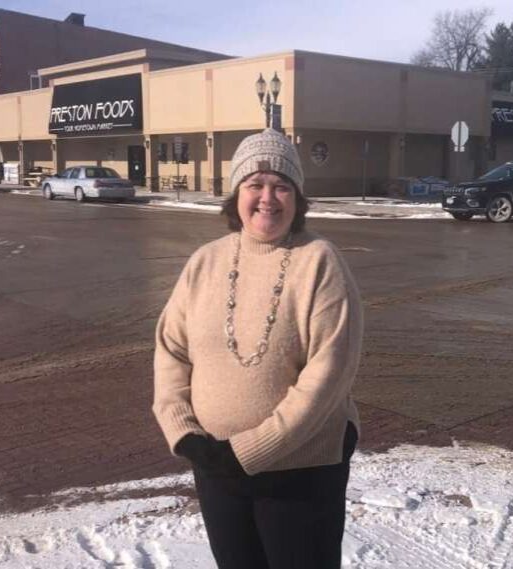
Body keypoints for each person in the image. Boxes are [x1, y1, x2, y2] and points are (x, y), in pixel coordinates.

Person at [153, 128, 364, 569]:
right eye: (255, 184)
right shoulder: (205, 261)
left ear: (297, 198)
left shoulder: (320, 261)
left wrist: (252, 449)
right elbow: (171, 348)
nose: (268, 197)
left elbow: (329, 374)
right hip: (216, 465)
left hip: (301, 471)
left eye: (281, 186)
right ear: (236, 195)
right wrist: (185, 433)